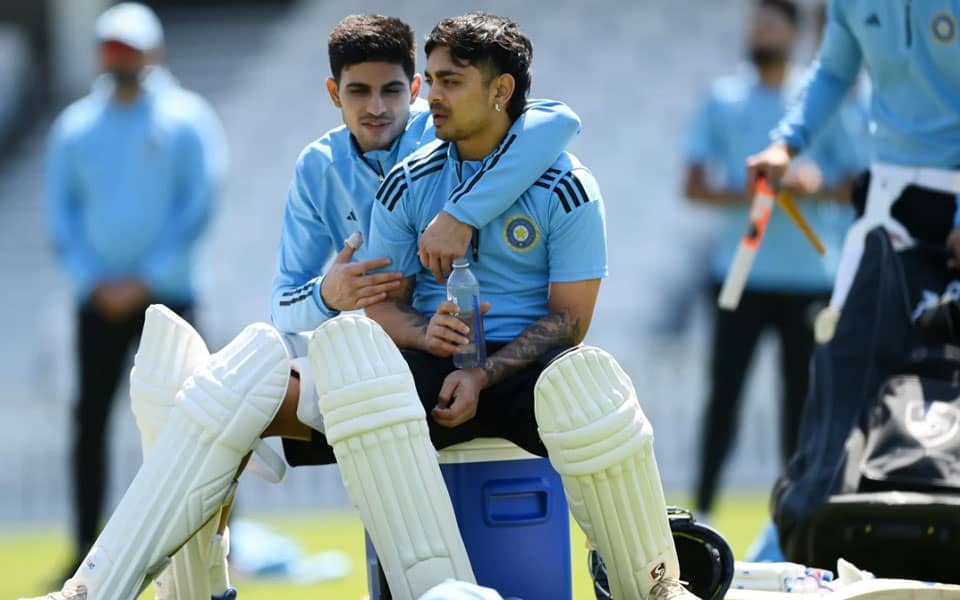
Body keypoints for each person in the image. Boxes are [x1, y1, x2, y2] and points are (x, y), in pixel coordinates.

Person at [26, 12, 581, 600]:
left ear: (415, 88)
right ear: (333, 93)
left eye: (392, 91)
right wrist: (327, 294)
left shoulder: (446, 134)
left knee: (272, 391)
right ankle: (115, 586)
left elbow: (559, 120)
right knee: (203, 387)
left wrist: (460, 216)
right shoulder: (319, 165)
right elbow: (284, 304)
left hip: (439, 364)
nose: (376, 108)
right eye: (358, 91)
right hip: (375, 356)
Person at [337, 12, 693, 599]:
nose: (432, 96)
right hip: (434, 361)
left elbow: (570, 320)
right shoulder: (407, 182)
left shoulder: (568, 186)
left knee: (587, 391)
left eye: (452, 81)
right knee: (362, 383)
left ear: (500, 90)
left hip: (523, 368)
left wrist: (483, 374)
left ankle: (652, 584)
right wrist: (426, 333)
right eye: (431, 79)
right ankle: (425, 589)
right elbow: (381, 306)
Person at [44, 0, 226, 585]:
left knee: (204, 417)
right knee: (90, 420)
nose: (119, 58)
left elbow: (199, 205)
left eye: (129, 48)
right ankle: (83, 547)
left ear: (153, 52)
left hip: (170, 297)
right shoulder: (75, 127)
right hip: (97, 300)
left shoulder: (186, 118)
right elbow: (61, 215)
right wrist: (93, 279)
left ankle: (220, 544)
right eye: (111, 48)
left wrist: (147, 277)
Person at [683, 0, 868, 521]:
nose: (760, 33)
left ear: (793, 34)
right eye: (756, 25)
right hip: (738, 275)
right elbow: (693, 185)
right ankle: (704, 513)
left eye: (771, 25)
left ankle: (793, 513)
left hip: (810, 280)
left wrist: (812, 184)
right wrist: (750, 192)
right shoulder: (723, 97)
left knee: (801, 400)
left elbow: (856, 184)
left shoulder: (820, 98)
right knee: (724, 394)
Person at [749, 0, 960, 324]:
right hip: (888, 195)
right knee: (848, 348)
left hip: (953, 190)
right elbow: (834, 72)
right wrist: (784, 146)